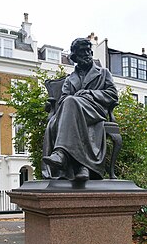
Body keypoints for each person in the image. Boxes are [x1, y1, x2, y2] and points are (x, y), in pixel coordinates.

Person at [42, 37, 118, 181]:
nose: (87, 54)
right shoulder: (70, 79)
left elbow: (113, 95)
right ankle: (82, 167)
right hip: (73, 111)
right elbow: (63, 100)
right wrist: (76, 99)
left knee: (71, 101)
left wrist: (90, 93)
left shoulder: (103, 73)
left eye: (89, 50)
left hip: (95, 110)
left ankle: (61, 154)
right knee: (70, 101)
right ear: (75, 56)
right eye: (83, 51)